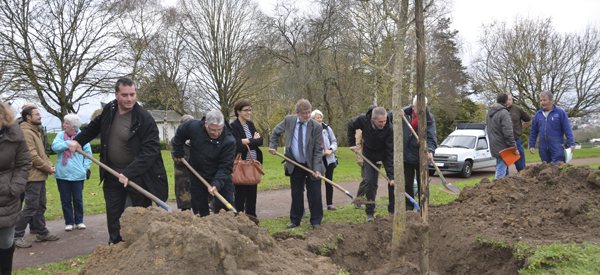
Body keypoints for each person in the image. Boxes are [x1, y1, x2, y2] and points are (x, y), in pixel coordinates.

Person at [68, 77, 169, 245]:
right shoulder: (110, 109)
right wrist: (78, 140)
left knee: (139, 215)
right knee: (114, 213)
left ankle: (140, 247)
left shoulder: (144, 118)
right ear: (116, 95)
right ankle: (115, 245)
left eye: (132, 94)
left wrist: (129, 173)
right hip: (112, 172)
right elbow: (95, 126)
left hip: (138, 176)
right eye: (125, 95)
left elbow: (151, 151)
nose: (129, 99)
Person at [269, 99, 324, 229]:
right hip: (294, 163)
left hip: (311, 164)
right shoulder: (289, 120)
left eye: (309, 112)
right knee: (296, 193)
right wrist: (273, 146)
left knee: (315, 193)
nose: (307, 115)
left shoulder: (316, 126)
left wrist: (316, 168)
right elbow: (276, 132)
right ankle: (295, 220)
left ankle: (316, 221)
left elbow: (318, 150)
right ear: (297, 113)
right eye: (304, 113)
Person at [172, 110, 236, 216]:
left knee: (226, 211)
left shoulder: (229, 141)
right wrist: (178, 152)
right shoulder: (193, 127)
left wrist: (216, 184)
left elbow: (225, 167)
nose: (216, 133)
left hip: (220, 176)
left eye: (219, 130)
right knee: (199, 211)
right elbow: (180, 133)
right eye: (213, 130)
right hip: (197, 174)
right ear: (206, 124)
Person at [14, 105, 59, 248]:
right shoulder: (26, 132)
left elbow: (42, 154)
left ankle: (41, 232)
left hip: (39, 175)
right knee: (31, 207)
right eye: (37, 114)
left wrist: (50, 165)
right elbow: (32, 156)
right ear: (28, 117)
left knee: (40, 206)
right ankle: (17, 235)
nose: (40, 116)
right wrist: (47, 168)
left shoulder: (35, 131)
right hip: (32, 176)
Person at [0, 102, 31, 274]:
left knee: (5, 241)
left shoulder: (14, 134)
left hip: (7, 195)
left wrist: (16, 187)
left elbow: (24, 162)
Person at [347, 107, 394, 223]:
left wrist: (391, 175)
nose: (383, 124)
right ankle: (370, 211)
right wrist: (352, 144)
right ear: (372, 118)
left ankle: (392, 211)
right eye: (380, 122)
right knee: (369, 182)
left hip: (384, 154)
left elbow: (390, 152)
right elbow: (350, 124)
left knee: (393, 182)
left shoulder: (389, 127)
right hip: (369, 155)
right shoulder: (363, 119)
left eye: (385, 120)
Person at [395, 96, 437, 212]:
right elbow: (387, 116)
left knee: (423, 184)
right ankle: (409, 207)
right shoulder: (404, 113)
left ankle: (424, 207)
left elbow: (431, 137)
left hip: (421, 157)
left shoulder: (428, 118)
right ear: (413, 106)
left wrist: (430, 151)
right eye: (419, 106)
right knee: (407, 183)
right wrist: (395, 113)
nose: (422, 109)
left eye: (424, 106)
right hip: (406, 156)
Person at [52, 114, 92, 231]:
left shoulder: (82, 137)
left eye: (66, 123)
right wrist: (69, 143)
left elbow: (88, 154)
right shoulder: (60, 135)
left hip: (78, 174)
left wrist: (84, 168)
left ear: (74, 126)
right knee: (65, 200)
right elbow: (55, 147)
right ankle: (69, 222)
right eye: (64, 123)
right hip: (62, 174)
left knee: (78, 199)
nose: (64, 125)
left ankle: (79, 221)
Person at [230, 99, 263, 218]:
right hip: (241, 166)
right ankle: (239, 221)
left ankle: (252, 220)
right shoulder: (233, 126)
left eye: (250, 110)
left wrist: (247, 141)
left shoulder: (250, 124)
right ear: (238, 111)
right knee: (240, 196)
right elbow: (238, 146)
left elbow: (260, 141)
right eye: (246, 110)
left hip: (253, 165)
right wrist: (252, 141)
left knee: (252, 195)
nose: (249, 112)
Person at [529, 91, 576, 164]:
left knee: (558, 168)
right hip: (543, 147)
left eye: (545, 100)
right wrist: (531, 145)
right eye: (541, 100)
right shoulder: (538, 115)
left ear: (551, 100)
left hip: (557, 146)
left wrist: (571, 143)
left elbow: (567, 129)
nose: (542, 103)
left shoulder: (560, 113)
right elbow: (533, 132)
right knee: (546, 169)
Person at [311, 110, 338, 211]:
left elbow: (334, 141)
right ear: (313, 119)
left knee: (329, 181)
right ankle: (317, 205)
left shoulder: (327, 128)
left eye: (320, 117)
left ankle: (329, 204)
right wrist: (323, 152)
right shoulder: (311, 129)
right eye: (317, 118)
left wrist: (331, 149)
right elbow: (311, 147)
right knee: (316, 183)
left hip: (329, 160)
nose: (320, 119)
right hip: (318, 160)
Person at [487, 93, 518, 179]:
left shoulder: (490, 112)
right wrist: (513, 146)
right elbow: (508, 132)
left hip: (494, 144)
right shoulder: (504, 112)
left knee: (500, 167)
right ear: (506, 101)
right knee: (501, 169)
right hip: (503, 146)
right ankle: (497, 189)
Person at [353, 106, 379, 210]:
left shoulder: (379, 124)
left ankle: (371, 201)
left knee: (375, 182)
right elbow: (358, 143)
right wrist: (360, 159)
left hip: (377, 158)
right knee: (366, 180)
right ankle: (358, 200)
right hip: (366, 158)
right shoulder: (362, 125)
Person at [172, 115, 194, 212]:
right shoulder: (175, 140)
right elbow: (176, 158)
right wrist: (193, 160)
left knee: (199, 203)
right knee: (185, 204)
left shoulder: (198, 139)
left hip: (197, 175)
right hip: (182, 176)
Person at [505, 94, 531, 172]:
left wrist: (520, 128)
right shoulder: (500, 110)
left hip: (516, 140)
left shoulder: (518, 109)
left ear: (512, 100)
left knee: (521, 166)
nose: (508, 102)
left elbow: (528, 120)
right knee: (504, 167)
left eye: (509, 100)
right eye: (506, 100)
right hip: (504, 142)